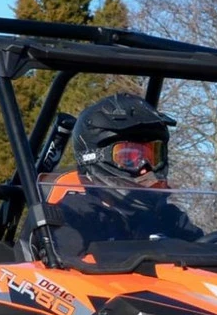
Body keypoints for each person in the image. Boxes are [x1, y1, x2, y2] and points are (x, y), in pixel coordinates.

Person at [45, 93, 202, 257]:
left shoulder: (170, 219)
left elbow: (207, 258)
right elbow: (65, 273)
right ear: (94, 156)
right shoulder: (74, 217)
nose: (145, 168)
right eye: (128, 157)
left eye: (153, 156)